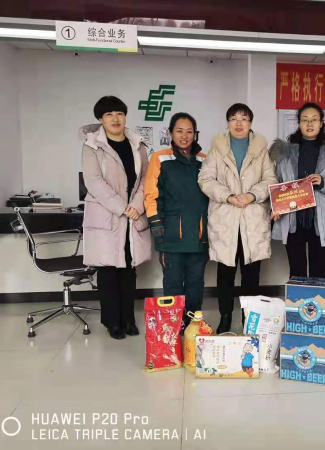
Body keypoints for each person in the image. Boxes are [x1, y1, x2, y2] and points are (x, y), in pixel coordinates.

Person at [198, 103, 278, 333]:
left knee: (251, 275)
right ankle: (225, 317)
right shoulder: (217, 149)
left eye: (244, 119)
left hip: (253, 220)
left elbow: (271, 180)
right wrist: (228, 196)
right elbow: (205, 179)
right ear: (228, 123)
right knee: (225, 274)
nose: (239, 123)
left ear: (250, 123)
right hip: (226, 220)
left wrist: (252, 195)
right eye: (234, 118)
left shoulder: (261, 150)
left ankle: (249, 320)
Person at [81, 96, 152, 340]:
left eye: (119, 113)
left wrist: (136, 205)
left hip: (132, 215)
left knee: (129, 269)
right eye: (109, 114)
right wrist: (122, 207)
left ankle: (128, 319)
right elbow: (93, 182)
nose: (115, 119)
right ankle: (112, 322)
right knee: (108, 270)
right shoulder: (92, 146)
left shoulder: (138, 145)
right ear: (101, 119)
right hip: (107, 215)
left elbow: (146, 179)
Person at [270, 102, 325, 278]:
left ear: (321, 123)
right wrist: (276, 206)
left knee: (318, 270)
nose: (309, 123)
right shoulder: (284, 153)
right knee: (296, 270)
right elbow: (277, 183)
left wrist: (323, 182)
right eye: (305, 119)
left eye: (314, 119)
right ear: (299, 123)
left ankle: (317, 297)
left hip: (320, 218)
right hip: (292, 217)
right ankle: (298, 297)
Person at [144, 113, 209, 330]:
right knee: (172, 284)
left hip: (199, 234)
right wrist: (155, 221)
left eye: (189, 131)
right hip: (171, 234)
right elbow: (151, 193)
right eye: (179, 131)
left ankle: (192, 326)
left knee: (195, 284)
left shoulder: (205, 160)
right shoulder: (160, 158)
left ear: (195, 134)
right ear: (171, 133)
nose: (184, 136)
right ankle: (172, 329)